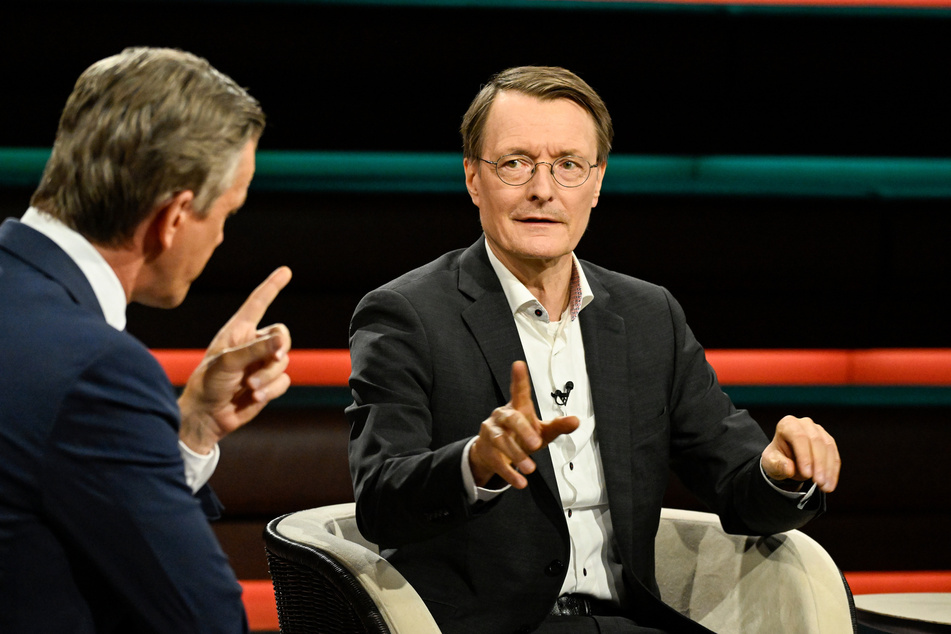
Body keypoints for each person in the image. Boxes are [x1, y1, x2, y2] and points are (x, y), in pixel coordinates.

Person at [347, 66, 841, 634]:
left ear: (597, 182)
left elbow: (737, 485)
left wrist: (781, 473)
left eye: (568, 165)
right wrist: (475, 464)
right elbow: (381, 500)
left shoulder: (647, 314)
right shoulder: (407, 314)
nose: (542, 189)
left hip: (632, 621)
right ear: (473, 179)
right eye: (514, 163)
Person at [0, 47, 291, 633]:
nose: (223, 239)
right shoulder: (98, 372)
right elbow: (203, 619)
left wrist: (192, 429)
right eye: (227, 213)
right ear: (174, 217)